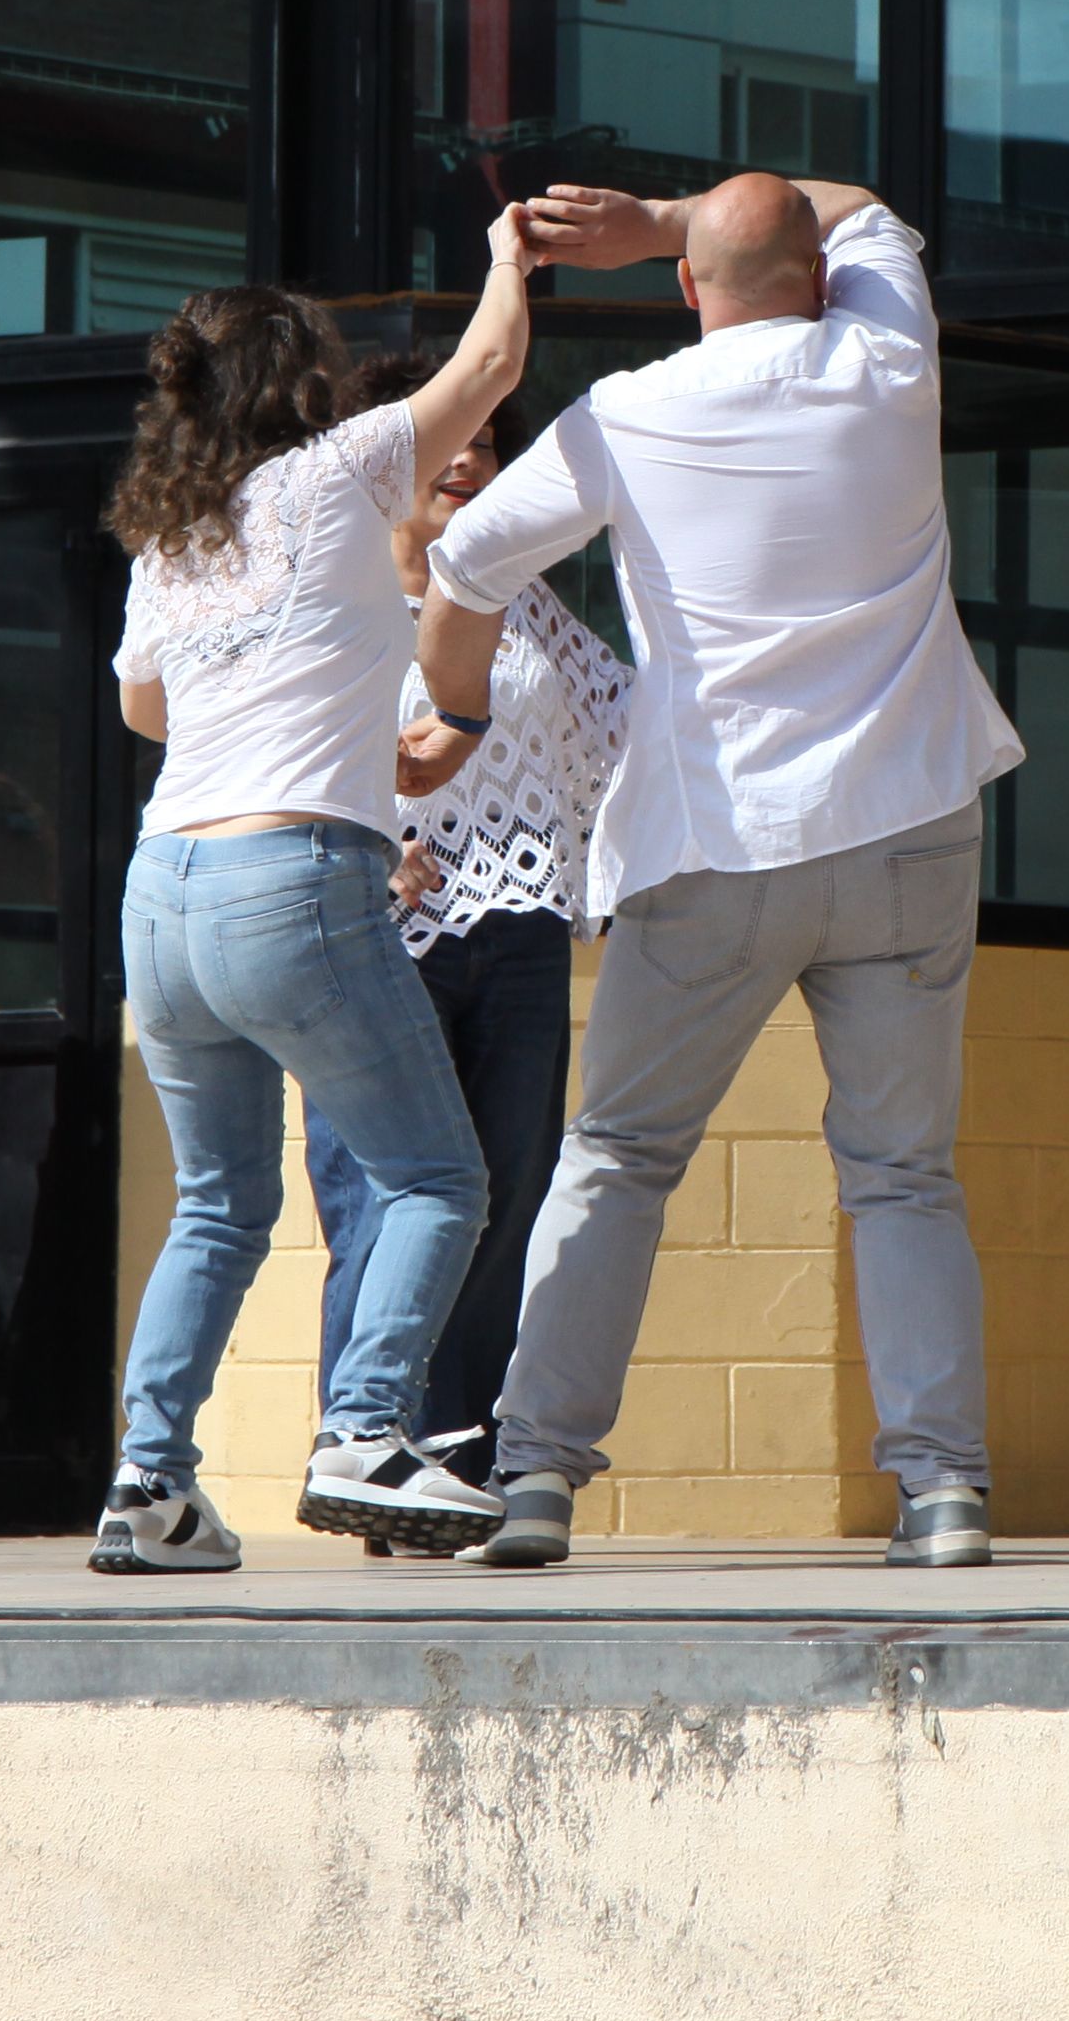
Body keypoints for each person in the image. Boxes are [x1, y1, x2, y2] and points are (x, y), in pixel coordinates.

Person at [407, 169, 1020, 1572]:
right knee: (904, 1175)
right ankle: (942, 1492)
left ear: (688, 291)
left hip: (713, 841)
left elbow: (465, 564)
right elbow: (856, 202)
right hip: (909, 825)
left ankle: (536, 1478)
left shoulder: (624, 413)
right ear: (823, 280)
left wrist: (458, 720)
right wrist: (661, 217)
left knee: (618, 1159)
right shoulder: (890, 355)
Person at [93, 217, 543, 1576]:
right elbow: (491, 362)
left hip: (163, 892)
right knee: (439, 1177)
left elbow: (147, 709)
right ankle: (363, 1429)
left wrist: (334, 739)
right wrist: (507, 253)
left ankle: (150, 1487)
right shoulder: (338, 473)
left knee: (219, 1203)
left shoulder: (170, 539)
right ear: (302, 384)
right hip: (289, 881)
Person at [299, 357, 629, 1540]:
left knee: (507, 1191)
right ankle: (364, 1444)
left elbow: (625, 724)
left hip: (521, 928)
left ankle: (464, 1453)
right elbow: (259, 751)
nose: (469, 461)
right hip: (371, 936)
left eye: (489, 444)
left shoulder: (518, 597)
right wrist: (360, 844)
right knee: (379, 1195)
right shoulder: (322, 601)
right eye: (448, 441)